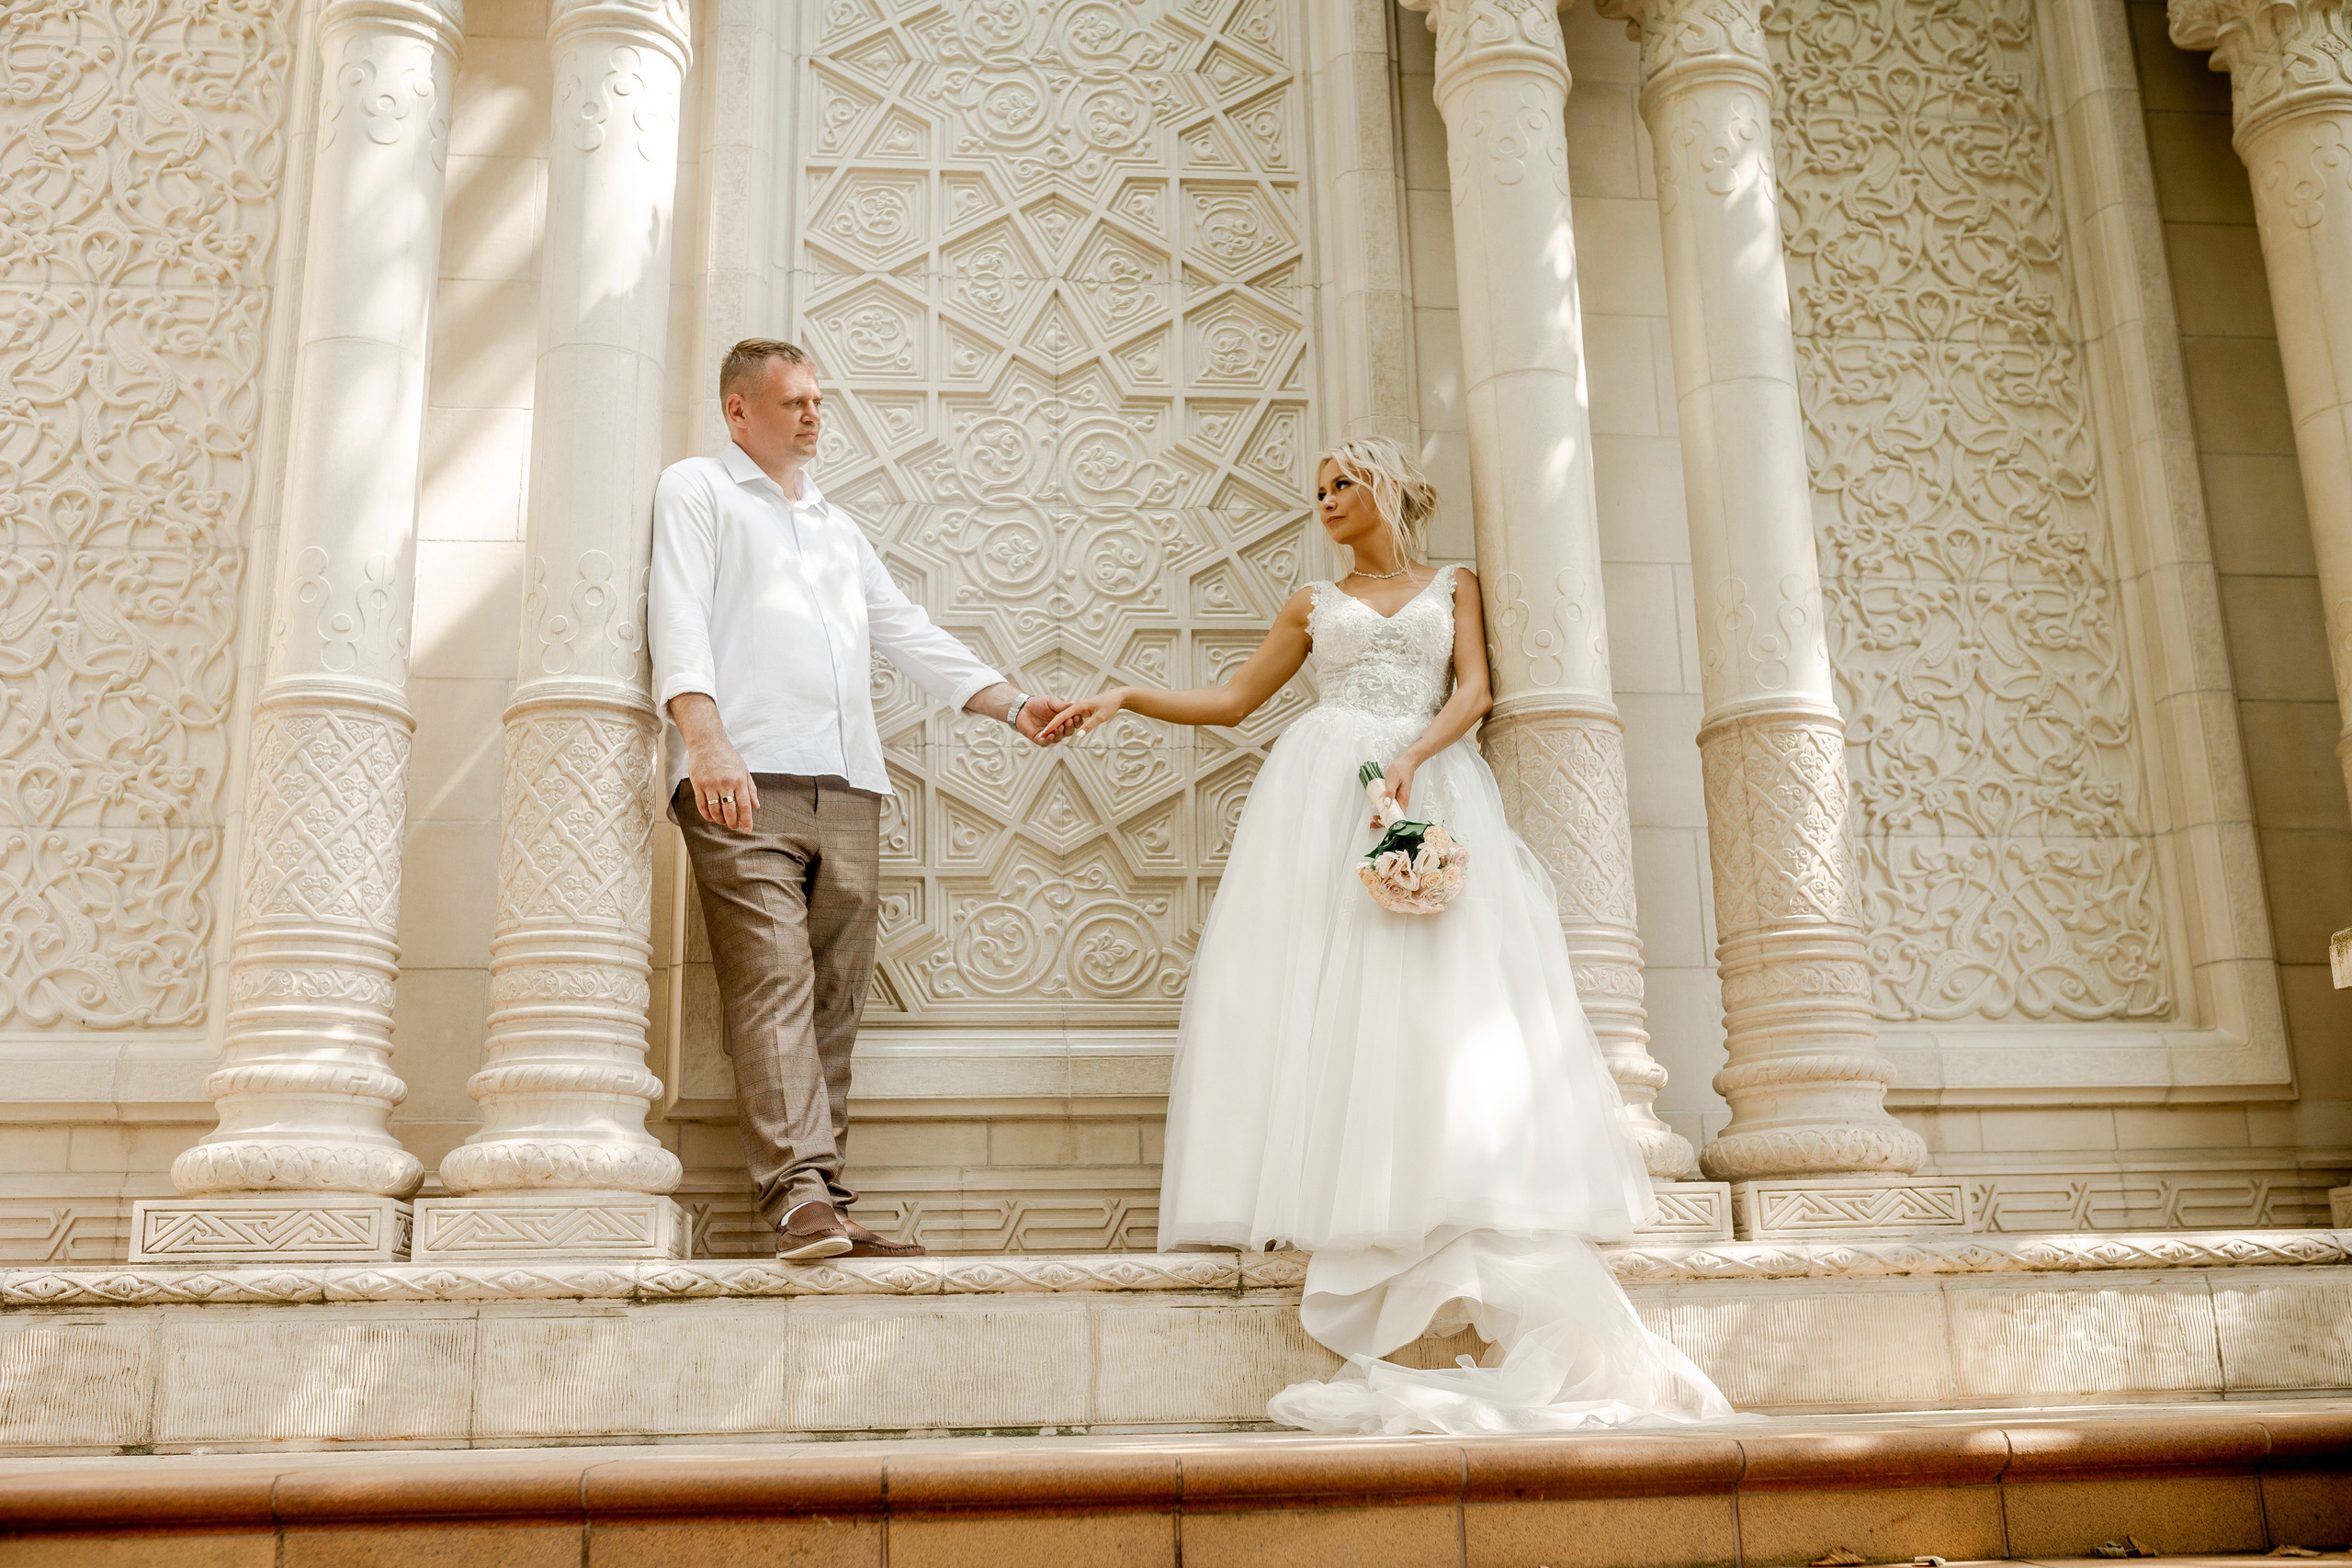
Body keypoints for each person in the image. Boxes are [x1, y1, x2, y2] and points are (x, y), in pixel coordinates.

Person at [1040, 436, 1736, 1432]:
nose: (1324, 500)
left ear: (1385, 492)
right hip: (1320, 793)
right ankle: (1345, 1193)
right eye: (1317, 490)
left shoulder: (1454, 584)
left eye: (1341, 484)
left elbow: (1475, 691)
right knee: (1326, 982)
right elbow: (1233, 700)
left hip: (1423, 781)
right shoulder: (1310, 606)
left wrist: (1413, 757)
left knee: (1438, 981)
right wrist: (1125, 695)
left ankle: (1444, 1173)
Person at [651, 339, 1069, 1261]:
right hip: (743, 780)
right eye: (792, 402)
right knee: (772, 984)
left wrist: (1009, 703)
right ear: (737, 410)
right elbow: (676, 613)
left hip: (851, 786)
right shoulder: (698, 491)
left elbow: (904, 630)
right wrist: (704, 738)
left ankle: (828, 1202)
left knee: (833, 999)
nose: (811, 416)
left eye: (816, 402)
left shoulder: (838, 528)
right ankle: (794, 1196)